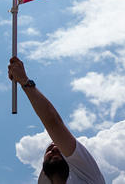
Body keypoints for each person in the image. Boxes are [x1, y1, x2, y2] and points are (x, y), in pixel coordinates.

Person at [8, 56, 106, 184]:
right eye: (49, 150)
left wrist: (25, 82)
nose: (54, 149)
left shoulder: (87, 175)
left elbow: (53, 122)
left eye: (59, 147)